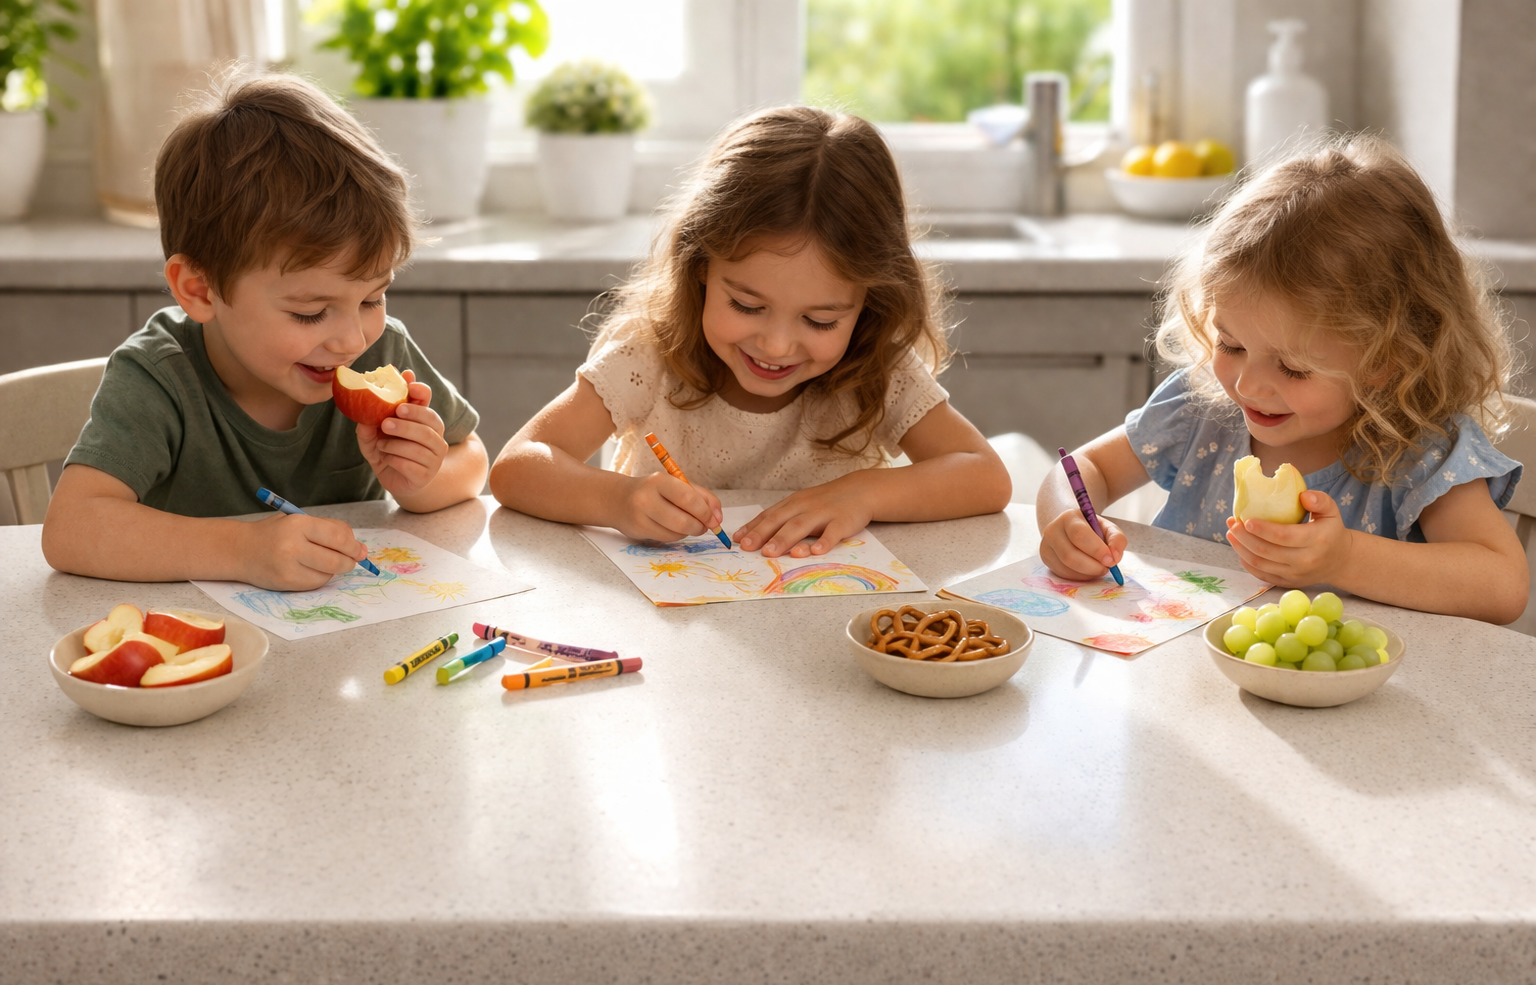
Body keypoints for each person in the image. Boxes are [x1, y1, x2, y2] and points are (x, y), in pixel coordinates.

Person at [1037, 137, 1527, 624]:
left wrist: (1346, 559)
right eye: (1230, 345)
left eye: (1292, 368)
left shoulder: (1420, 449)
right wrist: (1067, 520)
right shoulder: (1201, 407)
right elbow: (1081, 471)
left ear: (1389, 357)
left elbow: (1501, 586)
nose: (1248, 384)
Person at [491, 106, 1010, 556]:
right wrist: (617, 500)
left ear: (868, 304)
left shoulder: (875, 367)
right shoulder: (649, 354)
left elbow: (984, 476)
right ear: (700, 267)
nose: (776, 345)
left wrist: (864, 493)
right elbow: (516, 467)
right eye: (746, 304)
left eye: (820, 320)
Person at [41, 74, 487, 590]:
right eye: (309, 312)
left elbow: (472, 459)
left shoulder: (380, 349)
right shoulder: (160, 377)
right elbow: (70, 529)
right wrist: (245, 550)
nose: (350, 339)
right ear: (201, 291)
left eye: (371, 299)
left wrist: (419, 481)